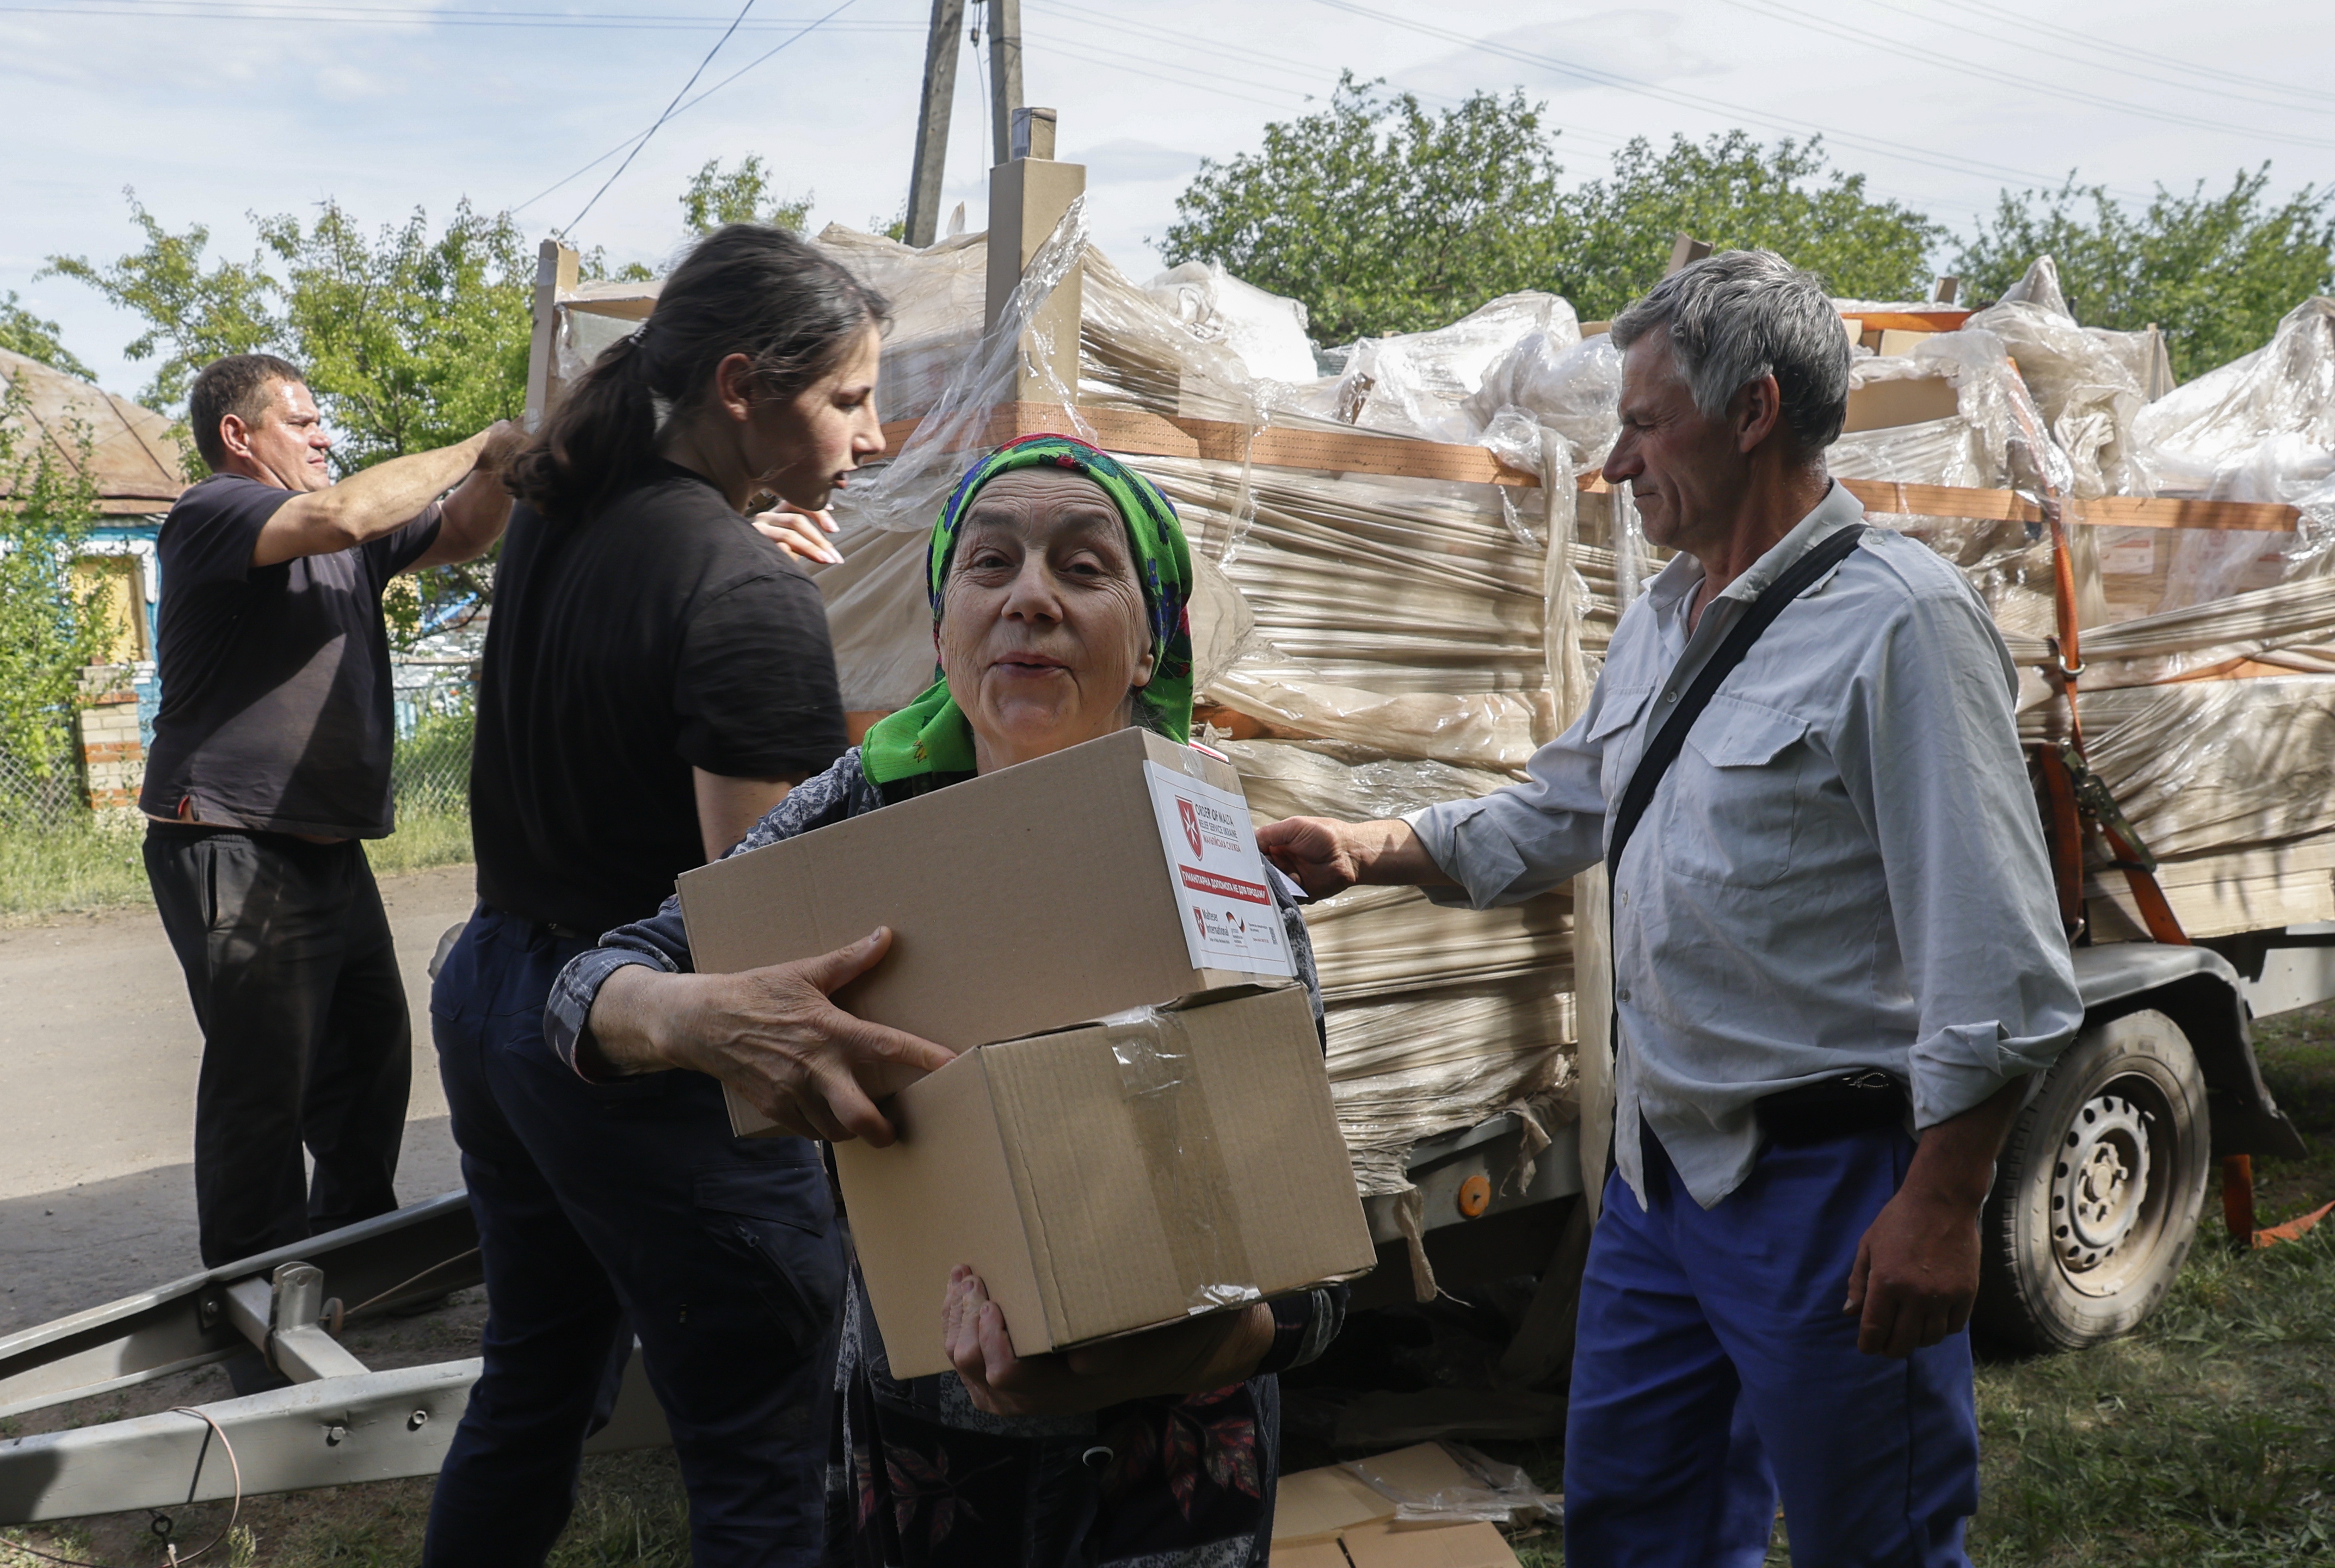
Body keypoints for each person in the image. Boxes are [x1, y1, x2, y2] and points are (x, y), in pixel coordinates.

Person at [1257, 252, 2085, 1567]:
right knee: (1638, 1529)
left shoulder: (1901, 626)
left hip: (1829, 1193)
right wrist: (1369, 846)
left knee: (1872, 1540)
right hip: (1656, 1184)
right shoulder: (1659, 618)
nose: (1614, 465)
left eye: (1644, 425)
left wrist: (1941, 1199)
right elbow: (1566, 807)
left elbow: (1996, 955)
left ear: (1753, 410)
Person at [543, 434, 1346, 1568]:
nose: (1030, 598)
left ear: (1151, 634)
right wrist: (702, 1019)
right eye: (990, 564)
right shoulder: (855, 821)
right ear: (940, 623)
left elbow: (1313, 1272)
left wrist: (1181, 1349)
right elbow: (584, 992)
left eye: (1083, 567)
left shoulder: (1215, 862)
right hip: (929, 1456)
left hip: (1170, 1465)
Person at [421, 224, 891, 1567]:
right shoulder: (743, 589)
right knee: (765, 1457)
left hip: (500, 986)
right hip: (644, 1051)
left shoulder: (572, 514)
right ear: (741, 387)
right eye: (846, 399)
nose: (869, 435)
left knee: (531, 1384)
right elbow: (759, 935)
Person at [141, 351, 518, 1282]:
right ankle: (251, 1285)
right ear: (240, 436)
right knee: (263, 1080)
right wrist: (477, 439)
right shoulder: (214, 511)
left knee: (367, 1059)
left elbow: (466, 532)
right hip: (231, 838)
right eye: (303, 423)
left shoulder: (344, 541)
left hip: (324, 846)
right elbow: (343, 509)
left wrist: (508, 463)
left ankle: (351, 1258)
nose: (324, 438)